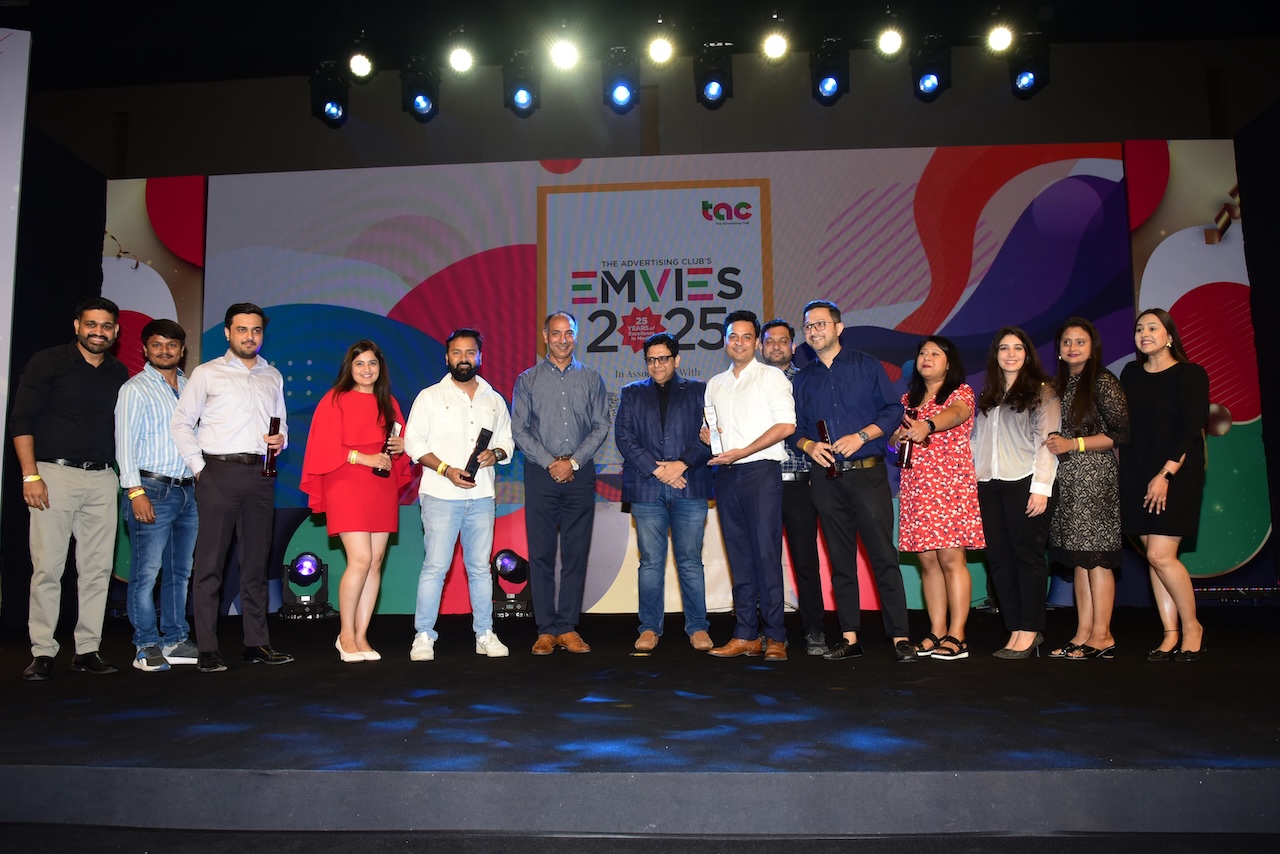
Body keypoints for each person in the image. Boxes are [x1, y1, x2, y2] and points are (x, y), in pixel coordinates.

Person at [171, 302, 293, 673]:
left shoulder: (272, 375)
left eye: (256, 330)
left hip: (261, 476)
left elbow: (281, 423)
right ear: (227, 333)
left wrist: (281, 439)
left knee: (255, 564)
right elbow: (181, 423)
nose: (249, 337)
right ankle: (208, 648)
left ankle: (256, 643)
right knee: (210, 564)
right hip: (218, 473)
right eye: (242, 330)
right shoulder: (207, 373)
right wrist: (200, 469)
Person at [791, 300, 915, 663]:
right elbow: (793, 429)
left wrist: (861, 436)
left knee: (883, 557)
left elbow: (893, 410)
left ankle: (900, 637)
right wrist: (809, 445)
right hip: (826, 479)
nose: (814, 331)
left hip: (868, 474)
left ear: (838, 328)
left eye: (820, 324)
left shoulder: (867, 365)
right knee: (840, 561)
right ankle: (849, 637)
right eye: (808, 326)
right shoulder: (803, 379)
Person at [12, 297, 129, 680]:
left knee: (97, 569)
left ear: (116, 331)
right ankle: (43, 651)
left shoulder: (118, 372)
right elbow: (22, 419)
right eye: (91, 324)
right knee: (48, 568)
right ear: (77, 325)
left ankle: (87, 650)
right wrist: (30, 475)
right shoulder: (47, 362)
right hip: (53, 476)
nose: (99, 332)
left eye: (106, 326)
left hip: (103, 479)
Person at [403, 328, 513, 661]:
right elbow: (413, 443)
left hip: (481, 496)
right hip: (439, 495)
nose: (463, 359)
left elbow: (507, 442)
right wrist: (445, 469)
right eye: (456, 352)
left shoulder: (494, 400)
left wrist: (496, 453)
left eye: (470, 352)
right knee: (435, 567)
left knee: (480, 568)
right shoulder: (429, 397)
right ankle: (424, 635)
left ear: (480, 357)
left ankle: (485, 634)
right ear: (447, 357)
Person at [300, 339, 411, 663]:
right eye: (359, 363)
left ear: (380, 368)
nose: (366, 369)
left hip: (380, 487)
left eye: (372, 363)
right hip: (346, 483)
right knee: (360, 558)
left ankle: (362, 636)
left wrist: (400, 448)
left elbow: (398, 450)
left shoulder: (389, 402)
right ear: (349, 368)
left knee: (376, 561)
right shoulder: (334, 399)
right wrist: (364, 458)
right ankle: (345, 635)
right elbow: (322, 447)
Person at [512, 311, 610, 655]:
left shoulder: (592, 378)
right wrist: (550, 463)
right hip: (541, 474)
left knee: (575, 553)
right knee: (540, 554)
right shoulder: (527, 380)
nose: (562, 339)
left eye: (569, 333)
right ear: (545, 336)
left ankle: (567, 628)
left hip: (580, 474)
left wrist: (573, 462)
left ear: (576, 336)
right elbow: (519, 429)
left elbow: (601, 425)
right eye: (556, 333)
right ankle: (545, 629)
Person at [702, 310, 795, 662]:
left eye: (746, 337)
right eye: (732, 336)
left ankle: (776, 637)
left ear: (756, 343)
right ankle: (745, 634)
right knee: (738, 556)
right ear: (725, 341)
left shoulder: (771, 377)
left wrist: (744, 450)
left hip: (761, 473)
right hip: (726, 475)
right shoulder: (715, 383)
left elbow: (786, 425)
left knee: (766, 555)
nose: (738, 343)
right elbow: (714, 428)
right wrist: (708, 436)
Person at [1119, 308, 1209, 662]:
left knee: (1160, 555)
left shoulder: (1191, 374)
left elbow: (1191, 431)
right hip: (1137, 473)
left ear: (1169, 336)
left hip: (1176, 473)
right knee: (1154, 560)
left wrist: (1165, 475)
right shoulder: (1130, 373)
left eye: (1152, 328)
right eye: (1139, 329)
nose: (1144, 334)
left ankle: (1192, 628)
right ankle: (1170, 634)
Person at [615, 332, 713, 652]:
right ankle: (648, 628)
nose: (657, 365)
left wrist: (681, 465)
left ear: (677, 359)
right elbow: (624, 437)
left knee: (690, 562)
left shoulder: (699, 390)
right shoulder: (631, 393)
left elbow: (709, 436)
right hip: (647, 488)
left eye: (663, 358)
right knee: (650, 563)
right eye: (651, 359)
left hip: (690, 485)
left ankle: (698, 627)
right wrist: (659, 470)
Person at [889, 336, 983, 661]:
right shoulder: (908, 398)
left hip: (949, 487)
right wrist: (897, 436)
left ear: (949, 362)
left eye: (935, 353)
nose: (927, 357)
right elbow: (894, 437)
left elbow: (956, 415)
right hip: (917, 487)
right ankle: (937, 631)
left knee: (951, 560)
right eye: (923, 353)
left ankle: (958, 635)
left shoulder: (960, 393)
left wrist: (927, 425)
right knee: (927, 562)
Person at [115, 319, 200, 672]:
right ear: (145, 349)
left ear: (182, 350)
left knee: (180, 572)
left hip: (188, 492)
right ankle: (146, 644)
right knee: (146, 572)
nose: (165, 351)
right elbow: (124, 445)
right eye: (157, 345)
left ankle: (175, 639)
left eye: (172, 345)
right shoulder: (135, 389)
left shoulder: (191, 387)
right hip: (150, 489)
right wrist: (135, 491)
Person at [1044, 318, 1130, 661]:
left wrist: (1074, 444)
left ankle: (1103, 635)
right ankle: (1083, 632)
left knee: (1097, 559)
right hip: (1066, 480)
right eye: (1067, 342)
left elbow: (1120, 434)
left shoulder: (1103, 381)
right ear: (1059, 349)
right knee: (1080, 560)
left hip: (1095, 478)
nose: (1073, 347)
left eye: (1080, 342)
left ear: (1092, 347)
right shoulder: (1058, 385)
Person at [972, 327, 1060, 660]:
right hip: (989, 484)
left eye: (1018, 348)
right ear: (995, 355)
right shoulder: (989, 393)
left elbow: (1047, 443)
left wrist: (1041, 489)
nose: (1010, 354)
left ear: (1027, 353)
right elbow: (977, 441)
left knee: (1028, 558)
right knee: (998, 560)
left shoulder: (1042, 391)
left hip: (1026, 482)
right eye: (1004, 348)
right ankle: (1014, 628)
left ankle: (1031, 629)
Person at [761, 318, 827, 656]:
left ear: (793, 346)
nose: (776, 346)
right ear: (760, 346)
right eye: (769, 341)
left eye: (782, 341)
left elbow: (819, 427)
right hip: (761, 483)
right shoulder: (751, 383)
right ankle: (771, 631)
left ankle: (814, 629)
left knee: (805, 561)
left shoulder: (807, 380)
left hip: (799, 482)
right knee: (765, 561)